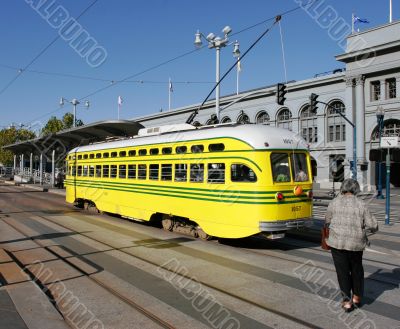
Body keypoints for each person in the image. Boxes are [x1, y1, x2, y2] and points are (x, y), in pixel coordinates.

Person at [325, 178, 378, 312]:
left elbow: (327, 221)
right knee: (356, 269)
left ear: (342, 188)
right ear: (356, 189)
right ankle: (357, 297)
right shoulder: (361, 204)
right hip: (356, 243)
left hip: (337, 243)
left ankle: (347, 301)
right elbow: (373, 225)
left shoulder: (334, 202)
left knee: (342, 272)